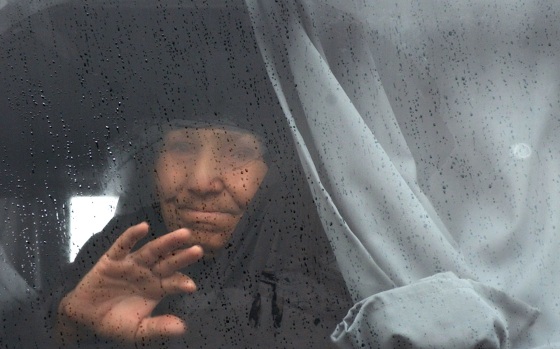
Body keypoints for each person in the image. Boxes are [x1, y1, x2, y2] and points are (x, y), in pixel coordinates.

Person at [48, 75, 353, 348]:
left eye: (238, 152)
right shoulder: (116, 251)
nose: (200, 181)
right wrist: (68, 328)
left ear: (277, 172)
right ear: (153, 165)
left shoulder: (331, 258)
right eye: (181, 148)